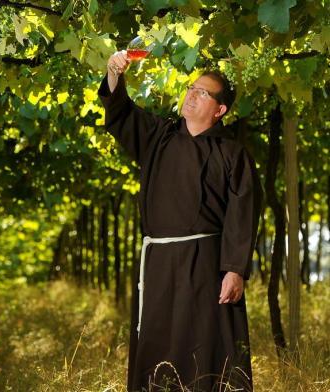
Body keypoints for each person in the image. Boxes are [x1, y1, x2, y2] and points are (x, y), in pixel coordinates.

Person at [98, 50, 263, 392]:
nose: (192, 93)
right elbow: (121, 114)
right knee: (159, 344)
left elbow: (243, 213)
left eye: (203, 92)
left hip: (207, 266)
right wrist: (115, 74)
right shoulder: (159, 136)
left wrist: (235, 269)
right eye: (192, 88)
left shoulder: (232, 154)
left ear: (220, 110)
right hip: (158, 263)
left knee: (204, 346)